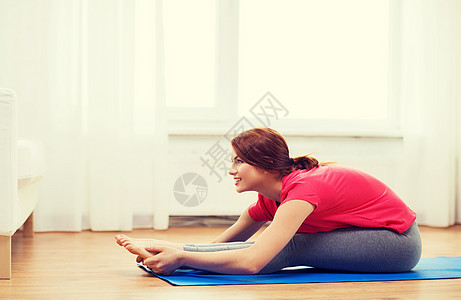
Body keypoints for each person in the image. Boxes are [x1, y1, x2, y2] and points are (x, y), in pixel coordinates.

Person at [115, 127, 421, 275]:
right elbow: (220, 245)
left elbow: (253, 262)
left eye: (238, 162)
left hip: (397, 243)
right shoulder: (270, 198)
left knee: (291, 244)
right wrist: (169, 248)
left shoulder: (303, 191)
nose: (231, 170)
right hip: (371, 235)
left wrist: (181, 259)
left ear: (263, 164)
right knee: (276, 241)